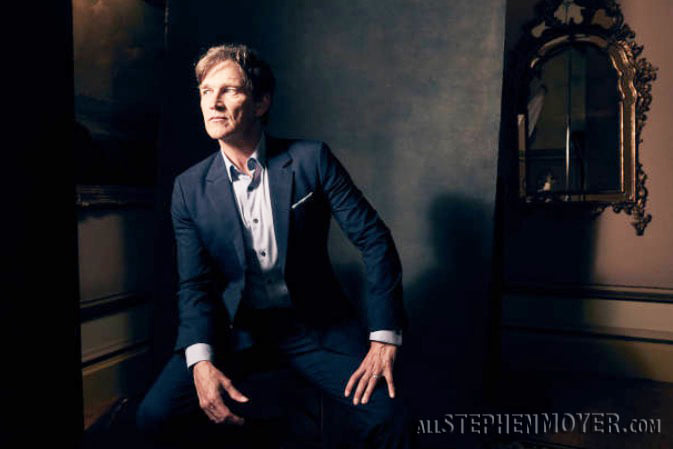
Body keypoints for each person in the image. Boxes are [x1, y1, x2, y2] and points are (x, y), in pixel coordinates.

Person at [136, 43, 413, 448]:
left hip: (313, 325)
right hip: (235, 330)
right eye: (205, 91)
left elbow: (374, 238)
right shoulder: (189, 188)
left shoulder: (311, 159)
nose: (213, 102)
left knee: (389, 415)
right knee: (153, 416)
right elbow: (194, 285)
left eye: (229, 90)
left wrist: (384, 336)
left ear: (261, 102)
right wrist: (200, 361)